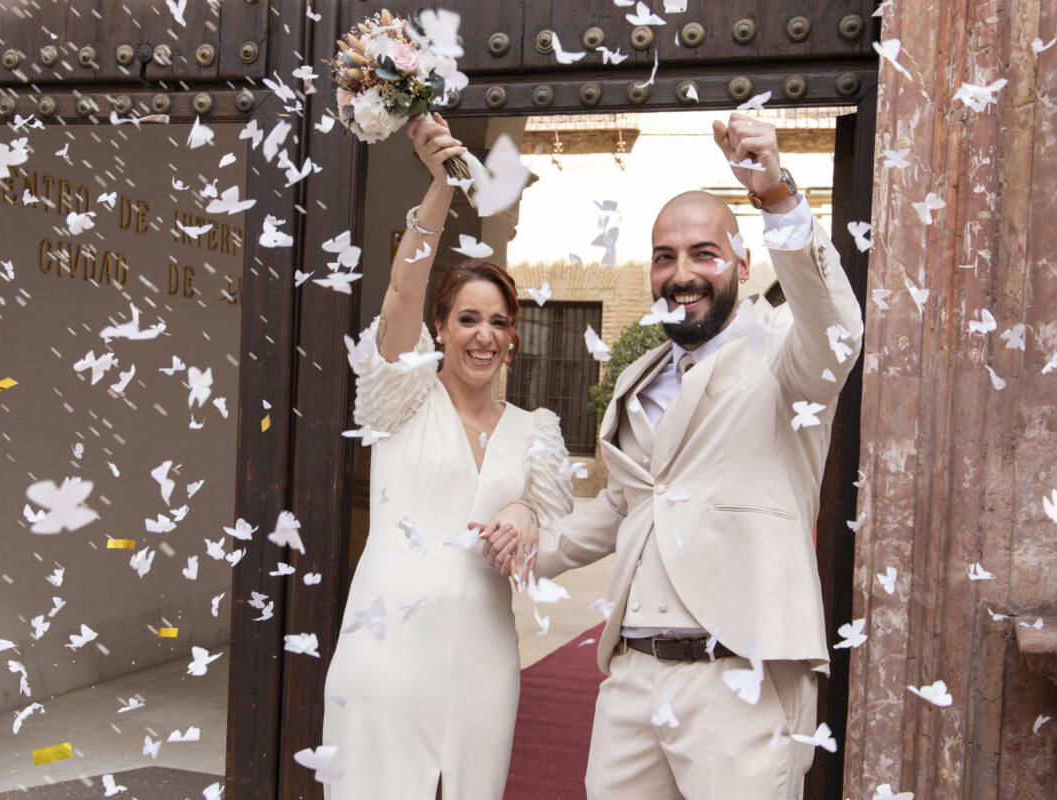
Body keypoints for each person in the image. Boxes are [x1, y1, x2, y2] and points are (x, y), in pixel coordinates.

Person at [482, 112, 864, 799]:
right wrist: (524, 538)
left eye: (703, 253)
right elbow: (627, 508)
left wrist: (777, 198)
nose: (680, 273)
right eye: (665, 256)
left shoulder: (785, 357)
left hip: (738, 676)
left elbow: (837, 330)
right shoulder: (637, 377)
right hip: (632, 675)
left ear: (744, 264)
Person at [321, 113, 573, 799]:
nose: (484, 335)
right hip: (388, 651)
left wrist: (525, 513)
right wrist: (439, 189)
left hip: (484, 660)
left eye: (498, 322)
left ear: (513, 337)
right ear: (440, 328)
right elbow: (401, 291)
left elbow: (555, 543)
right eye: (467, 318)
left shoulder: (537, 431)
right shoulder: (398, 402)